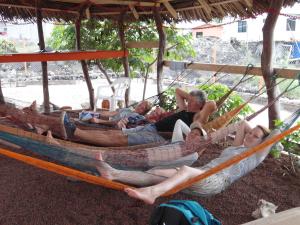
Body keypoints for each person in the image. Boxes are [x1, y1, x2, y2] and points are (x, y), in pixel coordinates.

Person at [95, 120, 272, 204]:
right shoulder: (236, 148)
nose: (249, 136)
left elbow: (273, 137)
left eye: (255, 136)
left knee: (185, 170)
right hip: (203, 172)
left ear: (262, 143)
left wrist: (264, 136)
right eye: (250, 133)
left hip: (216, 180)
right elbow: (242, 124)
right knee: (156, 174)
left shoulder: (255, 156)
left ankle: (152, 193)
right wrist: (254, 130)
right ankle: (113, 173)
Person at [61, 88, 217, 146]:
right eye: (188, 100)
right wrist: (193, 97)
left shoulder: (198, 118)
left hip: (158, 138)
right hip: (150, 128)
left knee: (119, 139)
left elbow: (212, 104)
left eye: (192, 102)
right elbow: (177, 91)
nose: (188, 103)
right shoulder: (186, 110)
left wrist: (204, 104)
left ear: (200, 106)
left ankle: (76, 132)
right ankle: (74, 131)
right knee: (114, 134)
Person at [87, 100, 151, 127]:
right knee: (85, 115)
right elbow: (112, 113)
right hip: (107, 120)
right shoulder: (128, 110)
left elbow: (117, 123)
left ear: (144, 112)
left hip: (109, 125)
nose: (139, 108)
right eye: (140, 105)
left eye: (142, 108)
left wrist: (99, 121)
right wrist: (94, 113)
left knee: (86, 120)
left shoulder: (136, 117)